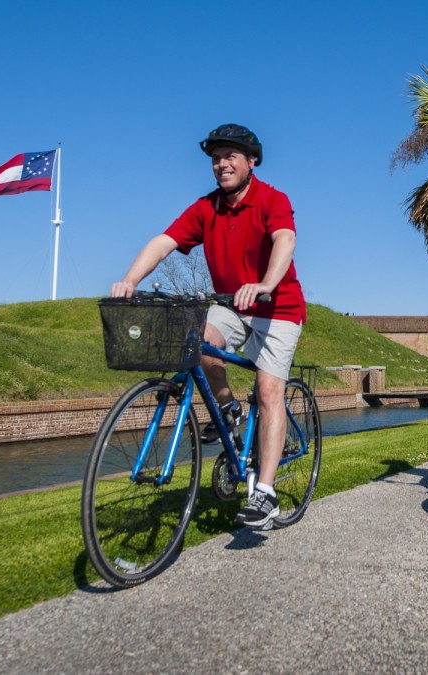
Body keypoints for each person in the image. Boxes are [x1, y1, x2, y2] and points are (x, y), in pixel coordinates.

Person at [111, 123, 307, 528]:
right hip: (230, 304)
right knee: (195, 342)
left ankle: (265, 493)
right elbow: (164, 241)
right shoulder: (206, 208)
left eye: (230, 156)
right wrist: (130, 280)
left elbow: (285, 239)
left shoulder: (272, 199)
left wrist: (266, 284)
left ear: (251, 161)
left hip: (278, 306)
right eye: (216, 158)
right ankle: (228, 408)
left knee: (269, 390)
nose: (221, 164)